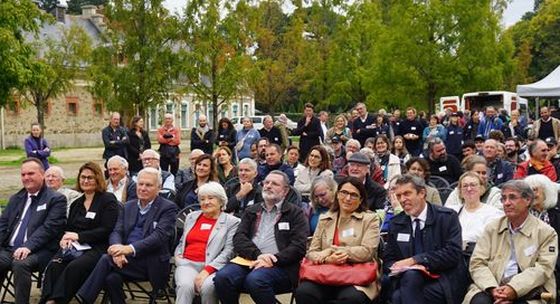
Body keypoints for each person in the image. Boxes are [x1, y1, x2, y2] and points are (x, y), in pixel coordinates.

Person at [76, 167, 178, 304]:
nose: (143, 188)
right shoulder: (128, 206)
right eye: (140, 184)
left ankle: (84, 299)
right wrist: (117, 250)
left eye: (148, 185)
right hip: (124, 259)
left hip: (151, 262)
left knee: (106, 260)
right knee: (111, 278)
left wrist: (128, 249)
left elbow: (158, 238)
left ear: (159, 188)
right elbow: (116, 231)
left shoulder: (168, 208)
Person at [213, 171, 308, 304]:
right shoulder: (252, 210)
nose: (268, 186)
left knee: (256, 280)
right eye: (266, 182)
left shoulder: (295, 213)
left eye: (274, 184)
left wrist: (272, 259)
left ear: (285, 191)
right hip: (249, 260)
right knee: (222, 278)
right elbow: (239, 238)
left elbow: (299, 246)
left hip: (281, 266)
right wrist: (258, 255)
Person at [464, 180, 558, 304]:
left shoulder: (546, 232)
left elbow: (543, 268)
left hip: (530, 289)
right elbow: (477, 263)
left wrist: (513, 289)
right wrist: (492, 288)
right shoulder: (492, 228)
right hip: (492, 285)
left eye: (512, 197)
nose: (507, 203)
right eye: (503, 198)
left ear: (528, 200)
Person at [40, 162, 120, 304]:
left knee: (75, 266)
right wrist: (65, 239)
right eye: (82, 177)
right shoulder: (77, 203)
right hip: (76, 247)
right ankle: (46, 300)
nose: (85, 180)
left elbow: (106, 229)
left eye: (90, 177)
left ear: (98, 179)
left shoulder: (107, 199)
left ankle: (56, 301)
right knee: (54, 265)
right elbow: (69, 228)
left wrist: (79, 236)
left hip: (98, 247)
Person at [295, 177, 381, 304]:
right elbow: (312, 252)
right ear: (337, 195)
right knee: (304, 292)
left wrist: (333, 251)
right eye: (344, 193)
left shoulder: (370, 219)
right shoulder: (325, 219)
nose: (347, 198)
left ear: (360, 200)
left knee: (352, 298)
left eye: (353, 195)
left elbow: (367, 251)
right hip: (325, 273)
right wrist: (327, 259)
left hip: (356, 275)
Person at [384, 174, 468, 304]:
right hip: (407, 279)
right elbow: (388, 259)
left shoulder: (446, 217)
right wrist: (397, 267)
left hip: (442, 278)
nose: (402, 199)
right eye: (399, 195)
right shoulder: (396, 223)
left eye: (407, 193)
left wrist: (416, 260)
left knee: (399, 297)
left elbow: (453, 253)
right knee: (410, 278)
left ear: (422, 193)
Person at [0, 158, 66, 304]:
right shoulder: (16, 198)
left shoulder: (56, 199)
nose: (26, 178)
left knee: (20, 264)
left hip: (40, 251)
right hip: (10, 249)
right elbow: (3, 225)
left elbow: (49, 229)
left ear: (42, 175)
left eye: (31, 173)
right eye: (23, 174)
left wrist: (28, 246)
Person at [174, 182, 240, 304]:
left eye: (211, 198)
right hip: (187, 263)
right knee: (185, 286)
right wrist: (178, 256)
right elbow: (183, 240)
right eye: (202, 199)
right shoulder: (191, 217)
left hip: (215, 266)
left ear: (221, 201)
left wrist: (207, 270)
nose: (206, 202)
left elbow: (229, 251)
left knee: (208, 287)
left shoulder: (232, 222)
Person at [447, 172, 502, 251]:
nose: (469, 189)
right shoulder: (452, 212)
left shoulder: (494, 213)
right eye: (465, 186)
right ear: (460, 191)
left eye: (473, 185)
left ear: (481, 189)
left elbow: (488, 238)